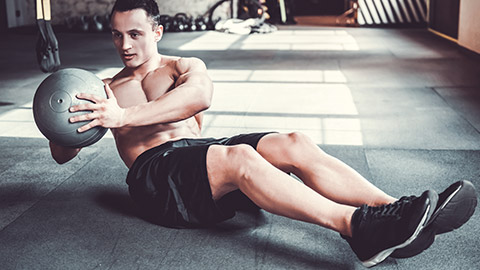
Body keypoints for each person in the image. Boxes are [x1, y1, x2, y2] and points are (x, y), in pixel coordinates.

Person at [49, 0, 477, 267]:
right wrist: (58, 104)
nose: (125, 45)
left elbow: (196, 100)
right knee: (240, 159)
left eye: (136, 34)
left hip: (199, 155)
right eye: (118, 35)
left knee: (294, 142)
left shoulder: (184, 67)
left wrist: (123, 117)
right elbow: (62, 154)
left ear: (157, 31)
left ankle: (398, 212)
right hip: (156, 179)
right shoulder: (102, 89)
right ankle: (357, 228)